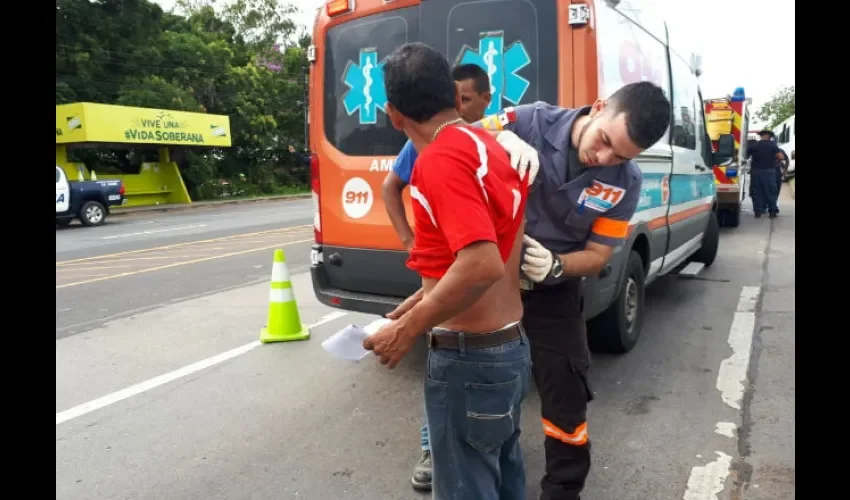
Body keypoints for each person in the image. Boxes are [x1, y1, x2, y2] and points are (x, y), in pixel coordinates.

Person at [471, 81, 671, 500]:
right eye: (604, 142)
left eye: (619, 156)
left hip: (553, 287)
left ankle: (563, 488)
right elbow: (456, 134)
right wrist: (497, 138)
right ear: (598, 108)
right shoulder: (529, 121)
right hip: (490, 277)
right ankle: (455, 457)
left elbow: (598, 254)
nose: (603, 159)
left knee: (566, 392)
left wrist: (557, 265)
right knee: (476, 378)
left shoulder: (625, 182)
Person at [363, 41, 533, 500]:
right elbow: (481, 253)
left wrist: (407, 332)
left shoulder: (437, 161)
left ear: (394, 114)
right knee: (503, 479)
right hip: (508, 349)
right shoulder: (489, 146)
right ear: (454, 96)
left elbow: (480, 265)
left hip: (470, 361)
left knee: (467, 489)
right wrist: (413, 306)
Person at [747, 130, 784, 218]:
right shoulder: (773, 146)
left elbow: (746, 155)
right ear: (769, 136)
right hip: (769, 172)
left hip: (756, 172)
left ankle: (758, 212)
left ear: (761, 136)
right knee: (771, 191)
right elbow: (781, 157)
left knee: (757, 192)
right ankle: (772, 211)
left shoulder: (754, 145)